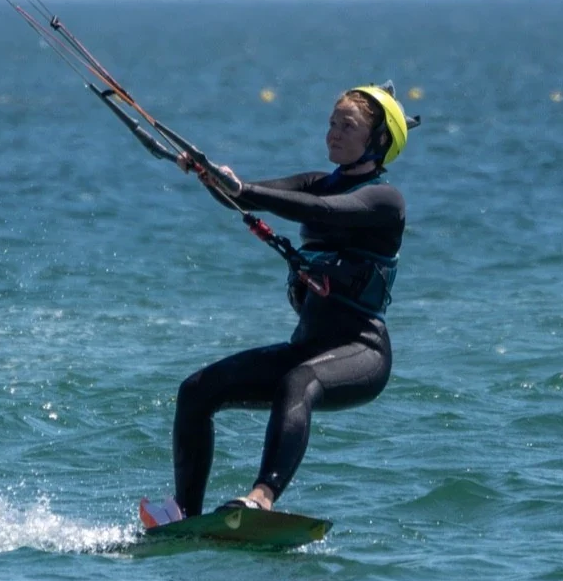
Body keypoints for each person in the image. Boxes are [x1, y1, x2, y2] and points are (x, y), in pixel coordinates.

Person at [140, 84, 413, 524]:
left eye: (348, 126)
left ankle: (262, 497)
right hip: (307, 345)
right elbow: (243, 196)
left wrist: (242, 186)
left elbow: (322, 212)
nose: (333, 133)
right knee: (196, 391)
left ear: (379, 141)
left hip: (362, 351)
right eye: (331, 123)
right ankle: (184, 512)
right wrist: (211, 175)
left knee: (297, 382)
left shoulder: (385, 200)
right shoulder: (317, 182)